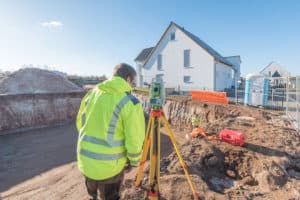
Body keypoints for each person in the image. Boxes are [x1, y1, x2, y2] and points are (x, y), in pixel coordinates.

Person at [76, 63, 145, 200]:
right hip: (110, 168)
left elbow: (80, 124)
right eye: (133, 82)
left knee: (92, 196)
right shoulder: (129, 102)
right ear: (128, 78)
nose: (132, 86)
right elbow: (134, 138)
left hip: (86, 162)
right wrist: (134, 161)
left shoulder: (91, 94)